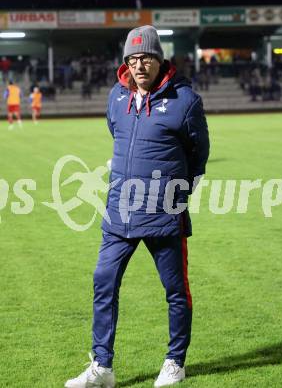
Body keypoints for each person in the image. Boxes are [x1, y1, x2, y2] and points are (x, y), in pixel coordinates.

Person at [65, 25, 210, 388]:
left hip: (164, 214)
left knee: (176, 291)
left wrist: (179, 193)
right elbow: (117, 133)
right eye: (133, 59)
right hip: (119, 212)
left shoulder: (186, 101)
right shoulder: (116, 96)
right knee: (103, 282)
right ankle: (103, 367)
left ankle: (175, 361)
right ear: (125, 62)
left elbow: (199, 155)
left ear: (159, 60)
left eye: (146, 57)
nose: (139, 65)